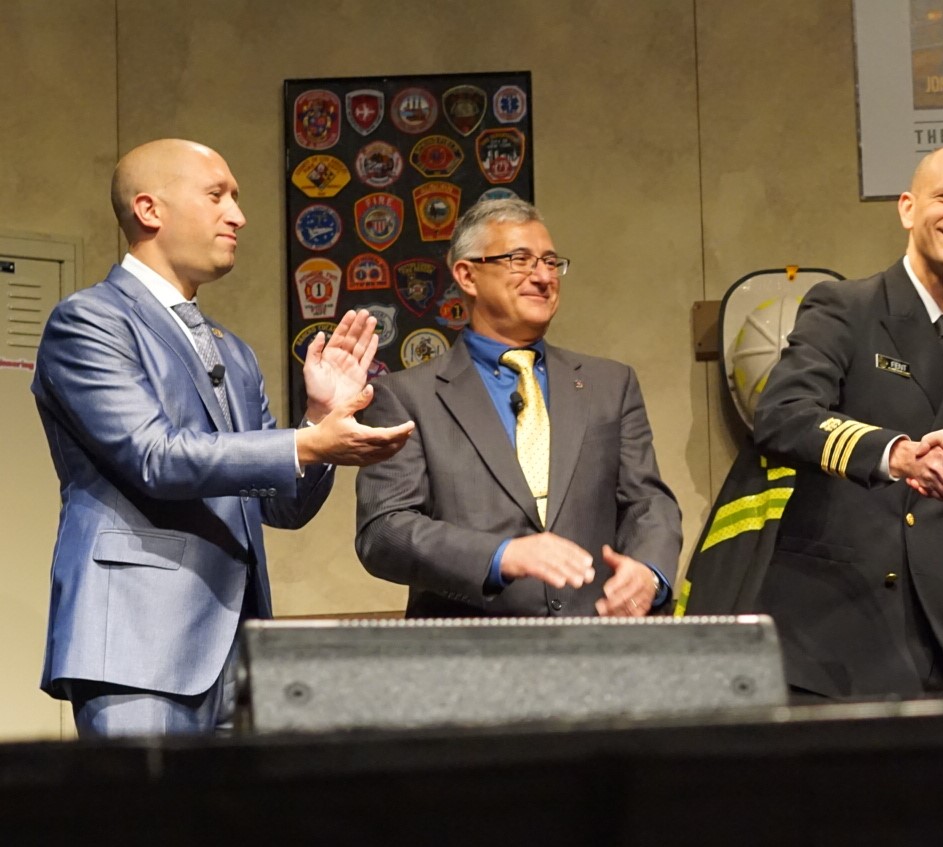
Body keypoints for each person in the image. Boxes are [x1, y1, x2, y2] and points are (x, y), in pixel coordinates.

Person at [33, 139, 414, 737]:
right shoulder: (90, 321)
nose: (237, 215)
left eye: (235, 198)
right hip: (139, 644)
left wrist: (318, 419)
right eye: (217, 196)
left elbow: (281, 507)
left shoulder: (232, 352)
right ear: (150, 210)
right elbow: (154, 457)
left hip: (240, 649)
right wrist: (308, 443)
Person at [750, 144, 943, 700]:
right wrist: (894, 454)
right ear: (908, 208)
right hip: (838, 633)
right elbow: (781, 416)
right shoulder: (846, 306)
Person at [355, 199, 681, 619]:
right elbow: (384, 533)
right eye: (520, 260)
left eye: (550, 261)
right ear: (467, 275)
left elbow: (648, 501)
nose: (544, 277)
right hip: (469, 658)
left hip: (599, 646)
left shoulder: (610, 385)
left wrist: (649, 570)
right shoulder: (405, 396)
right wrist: (500, 555)